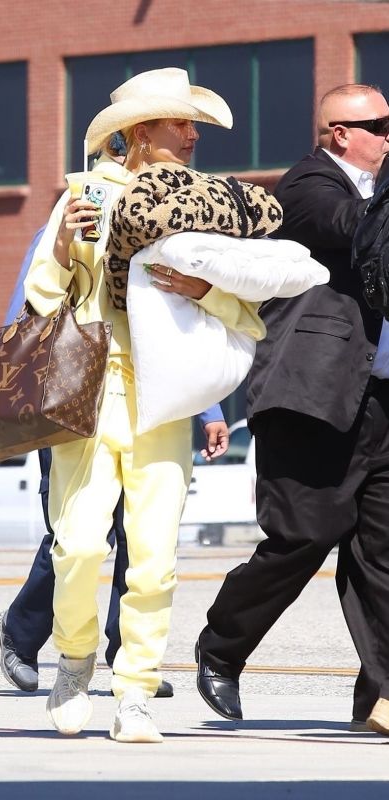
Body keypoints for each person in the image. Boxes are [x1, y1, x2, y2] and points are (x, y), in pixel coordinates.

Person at [24, 66, 271, 743]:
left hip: (167, 393)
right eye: (178, 122)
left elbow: (245, 306)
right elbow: (43, 303)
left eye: (192, 123)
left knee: (155, 555)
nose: (193, 135)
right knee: (76, 544)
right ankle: (75, 661)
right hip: (89, 387)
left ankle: (134, 690)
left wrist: (202, 289)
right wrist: (60, 245)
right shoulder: (83, 194)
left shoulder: (205, 204)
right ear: (138, 132)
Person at [195, 83, 389, 735]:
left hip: (381, 402)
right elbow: (351, 232)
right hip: (312, 395)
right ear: (339, 133)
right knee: (301, 537)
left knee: (382, 556)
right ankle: (220, 649)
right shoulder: (308, 186)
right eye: (382, 127)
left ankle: (380, 698)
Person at [0, 199, 230, 698]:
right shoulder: (64, 226)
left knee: (140, 535)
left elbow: (181, 327)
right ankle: (20, 633)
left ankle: (128, 658)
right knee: (75, 535)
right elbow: (28, 312)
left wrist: (209, 411)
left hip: (149, 407)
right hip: (74, 407)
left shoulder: (162, 234)